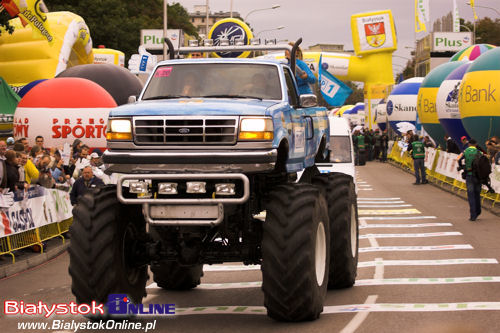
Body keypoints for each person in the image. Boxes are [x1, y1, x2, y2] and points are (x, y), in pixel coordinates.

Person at [457, 139, 482, 221]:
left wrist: (462, 166)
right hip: (478, 176)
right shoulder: (479, 152)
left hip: (469, 175)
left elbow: (459, 160)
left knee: (471, 195)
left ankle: (473, 215)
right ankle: (478, 211)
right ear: (476, 144)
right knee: (477, 194)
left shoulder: (465, 151)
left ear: (469, 144)